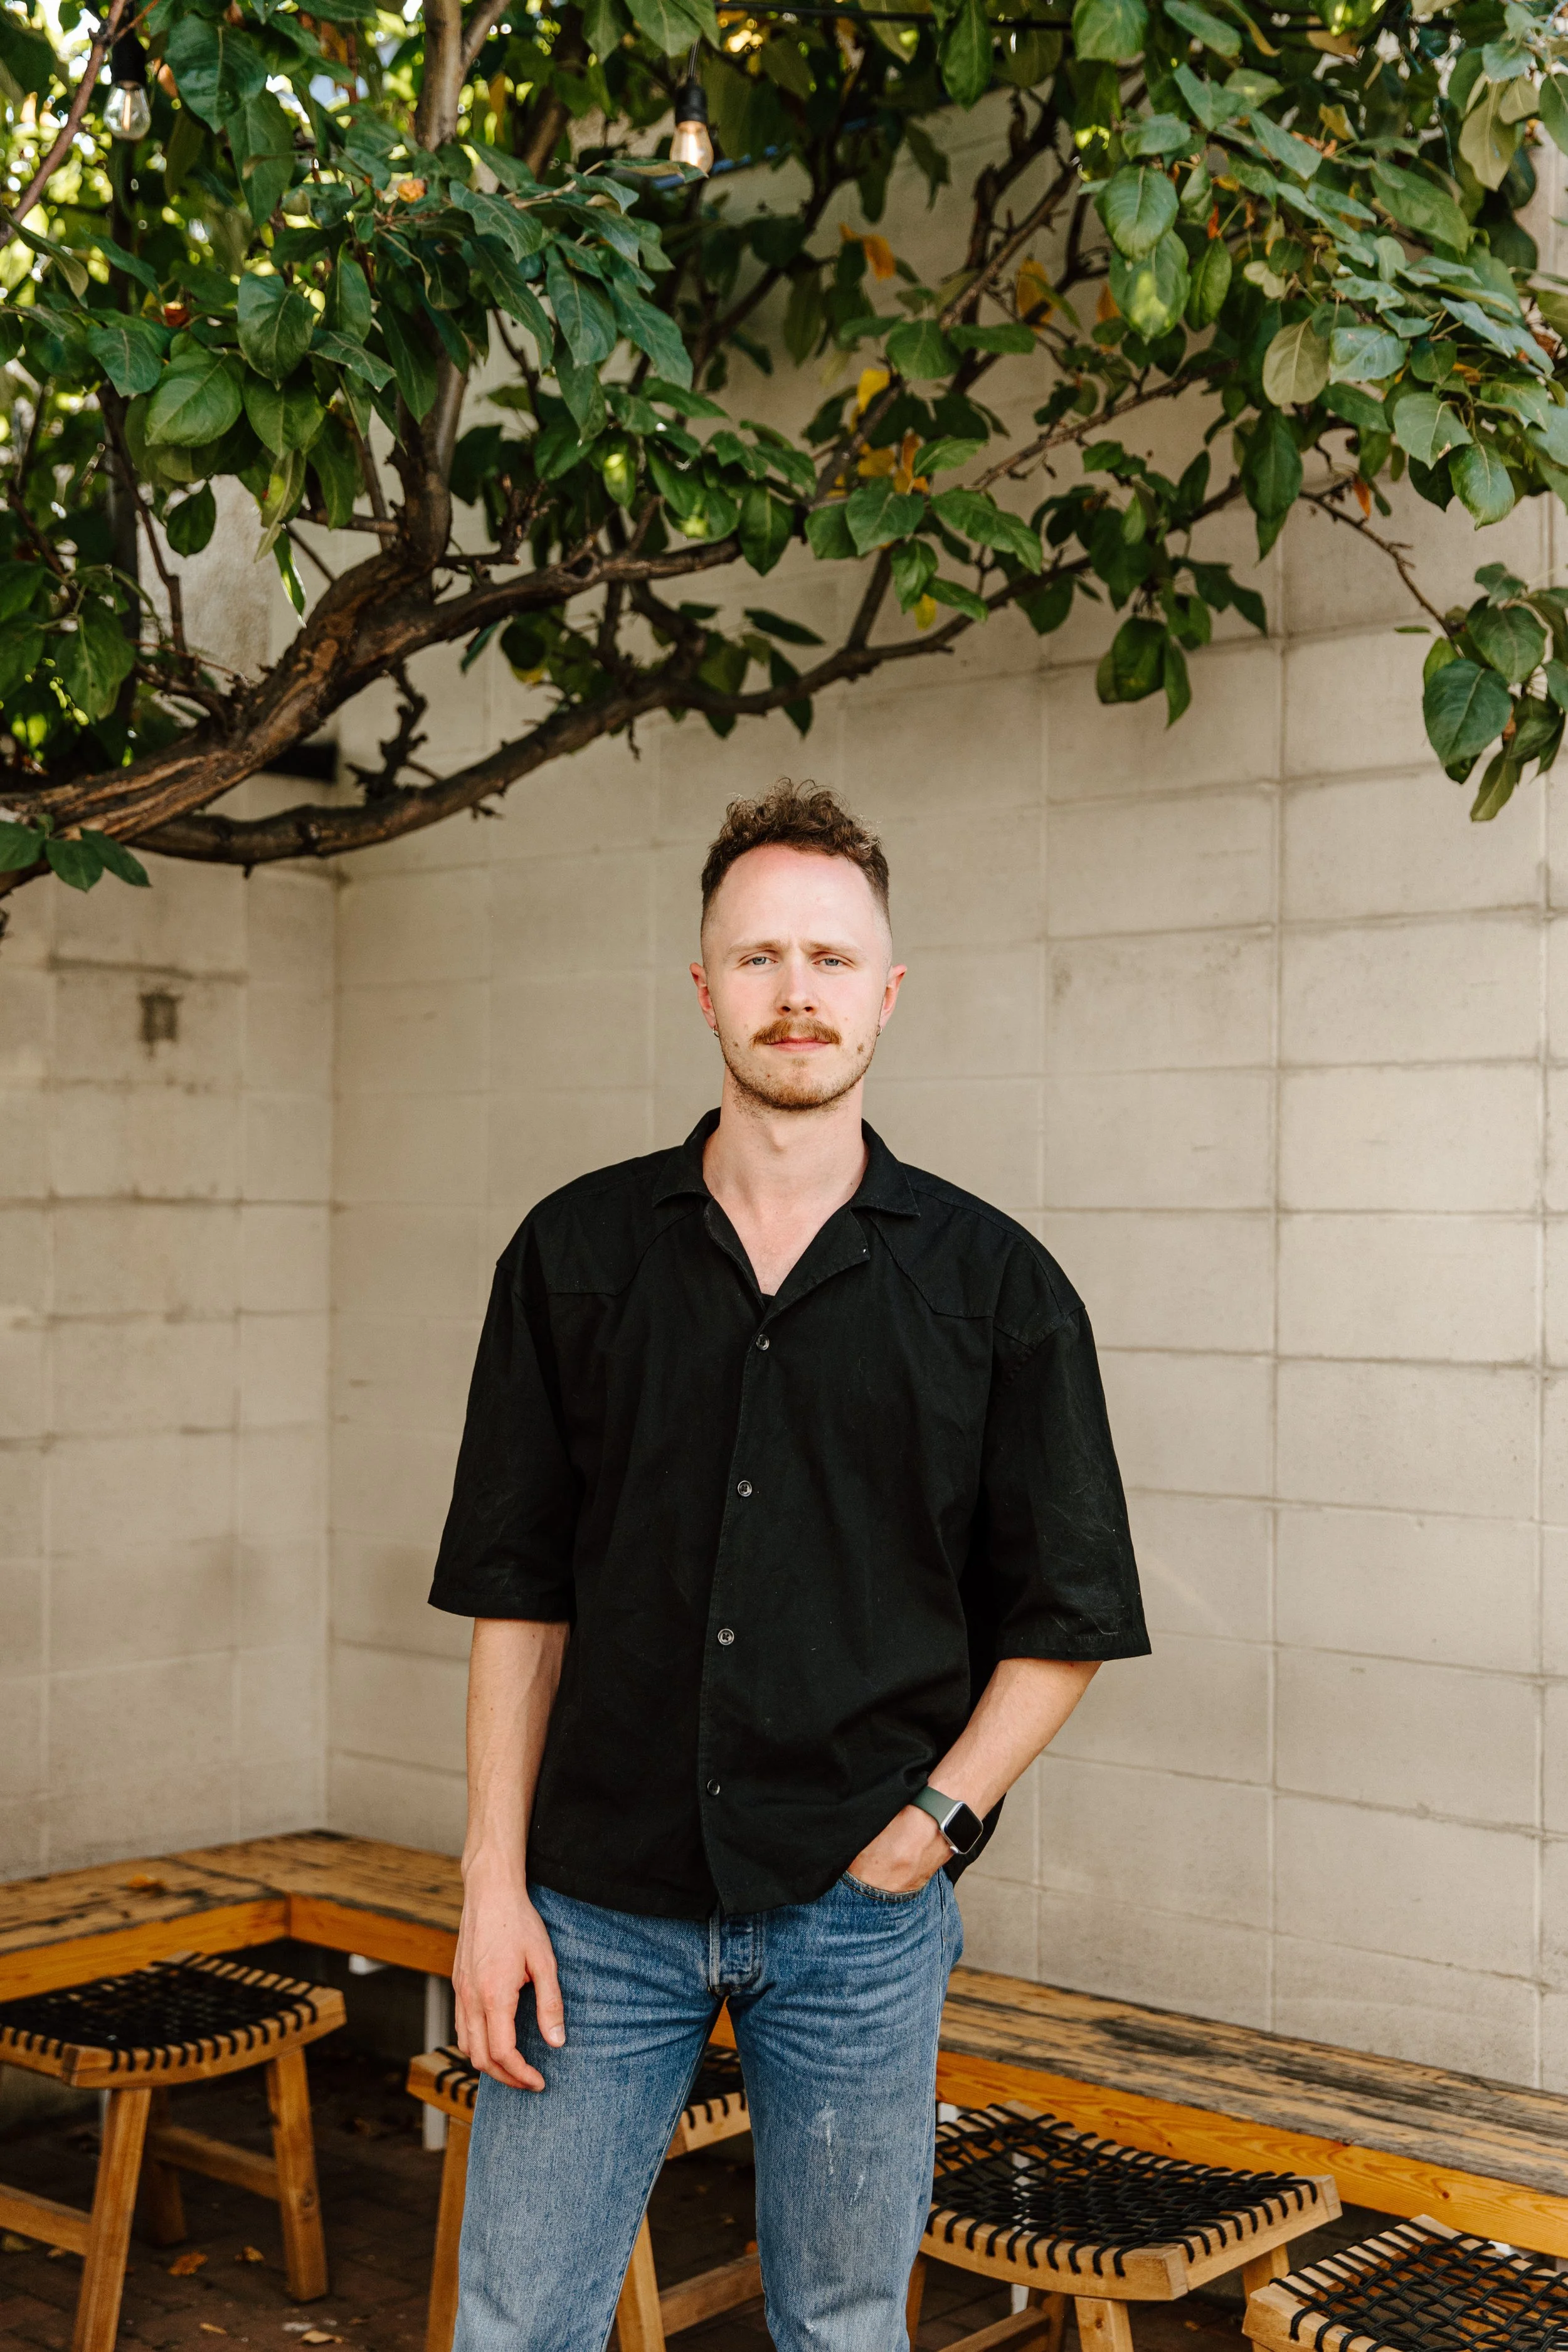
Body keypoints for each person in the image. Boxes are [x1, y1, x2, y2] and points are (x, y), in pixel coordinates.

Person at [429, 781, 1149, 2352]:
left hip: (857, 1909)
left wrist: (932, 1825)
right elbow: (515, 1587)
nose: (795, 991)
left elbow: (1067, 1616)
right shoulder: (573, 1255)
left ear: (885, 992)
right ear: (704, 990)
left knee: (837, 2325)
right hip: (591, 1909)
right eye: (757, 958)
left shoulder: (996, 1287)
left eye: (830, 958)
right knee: (513, 2324)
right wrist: (490, 1882)